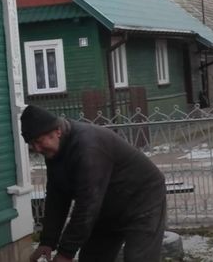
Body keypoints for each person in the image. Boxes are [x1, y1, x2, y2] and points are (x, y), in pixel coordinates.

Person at [21, 105, 166, 262]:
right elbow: (57, 196)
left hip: (143, 200)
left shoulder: (88, 147)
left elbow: (87, 204)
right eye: (31, 144)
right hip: (106, 204)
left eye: (38, 141)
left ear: (57, 131)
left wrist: (65, 253)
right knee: (93, 257)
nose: (37, 148)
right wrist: (48, 241)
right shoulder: (55, 152)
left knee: (138, 258)